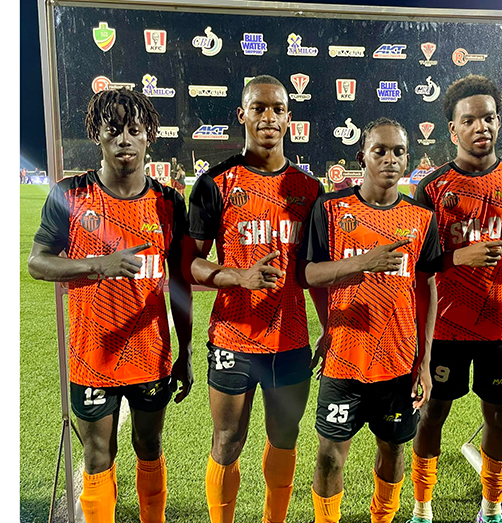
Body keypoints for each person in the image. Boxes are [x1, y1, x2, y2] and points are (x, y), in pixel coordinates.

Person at [27, 88, 194, 523]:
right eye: (113, 130)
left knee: (149, 447)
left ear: (149, 137)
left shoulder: (168, 202)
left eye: (134, 130)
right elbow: (37, 263)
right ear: (96, 135)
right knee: (98, 453)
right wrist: (100, 264)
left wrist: (187, 351)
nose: (124, 139)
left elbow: (179, 282)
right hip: (92, 355)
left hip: (150, 356)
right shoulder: (71, 194)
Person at [409, 74, 502, 523]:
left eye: (488, 118)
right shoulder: (430, 188)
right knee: (431, 414)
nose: (481, 127)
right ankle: (422, 509)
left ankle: (491, 510)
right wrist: (457, 256)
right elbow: (417, 268)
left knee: (501, 418)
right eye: (469, 120)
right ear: (452, 130)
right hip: (445, 328)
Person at [186, 75, 327, 523]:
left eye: (277, 109)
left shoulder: (309, 190)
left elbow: (315, 275)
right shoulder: (215, 182)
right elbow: (189, 265)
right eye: (258, 108)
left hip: (290, 342)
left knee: (285, 439)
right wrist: (238, 277)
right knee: (227, 441)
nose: (268, 117)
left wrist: (330, 327)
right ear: (242, 114)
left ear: (290, 117)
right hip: (233, 339)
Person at [304, 118, 440, 523]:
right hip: (344, 360)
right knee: (329, 456)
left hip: (399, 362)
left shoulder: (421, 218)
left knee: (393, 450)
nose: (390, 159)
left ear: (407, 159)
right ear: (362, 156)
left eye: (398, 151)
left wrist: (426, 361)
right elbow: (309, 274)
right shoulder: (330, 209)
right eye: (380, 150)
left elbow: (427, 288)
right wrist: (363, 264)